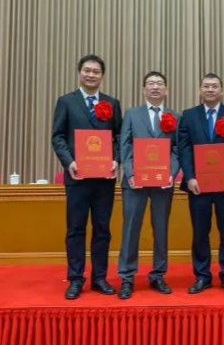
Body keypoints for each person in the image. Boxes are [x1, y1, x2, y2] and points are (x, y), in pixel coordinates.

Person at [51, 54, 123, 300]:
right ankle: (75, 278)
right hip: (77, 177)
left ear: (102, 75)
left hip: (104, 179)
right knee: (76, 229)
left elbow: (118, 136)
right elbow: (58, 137)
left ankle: (99, 278)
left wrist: (116, 160)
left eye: (96, 71)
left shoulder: (112, 103)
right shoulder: (66, 102)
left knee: (102, 228)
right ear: (79, 72)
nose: (91, 75)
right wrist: (69, 162)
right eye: (87, 70)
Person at [176, 73, 224, 294]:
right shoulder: (189, 115)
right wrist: (190, 177)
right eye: (206, 86)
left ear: (221, 90)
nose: (210, 90)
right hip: (198, 186)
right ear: (200, 90)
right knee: (200, 232)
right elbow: (184, 148)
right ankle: (202, 275)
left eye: (214, 86)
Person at [116, 71, 179, 299]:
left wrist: (171, 173)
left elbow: (177, 149)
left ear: (166, 90)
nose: (155, 87)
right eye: (151, 83)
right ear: (144, 90)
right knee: (131, 228)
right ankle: (126, 277)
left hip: (163, 183)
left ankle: (158, 274)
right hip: (135, 182)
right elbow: (124, 146)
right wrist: (130, 172)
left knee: (160, 228)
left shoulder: (175, 116)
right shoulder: (132, 114)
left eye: (159, 83)